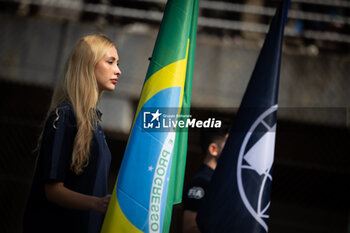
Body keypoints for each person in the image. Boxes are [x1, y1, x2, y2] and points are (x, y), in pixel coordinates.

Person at [22, 34, 122, 233]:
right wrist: (98, 203)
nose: (118, 71)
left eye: (117, 63)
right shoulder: (65, 116)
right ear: (88, 64)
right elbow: (53, 190)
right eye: (110, 62)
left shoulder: (94, 123)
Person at [182, 127, 229, 233]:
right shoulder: (200, 184)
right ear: (213, 149)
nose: (234, 149)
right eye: (229, 144)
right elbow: (190, 228)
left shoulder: (220, 181)